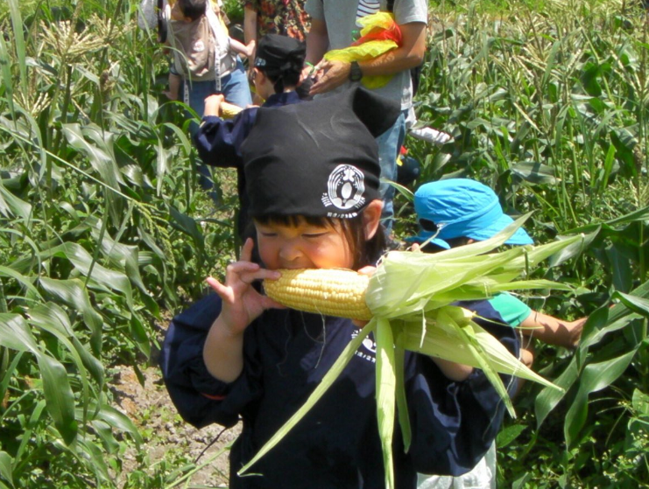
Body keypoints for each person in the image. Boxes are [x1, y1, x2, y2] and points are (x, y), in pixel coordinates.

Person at [160, 88, 519, 488]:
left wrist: (421, 322)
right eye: (270, 231)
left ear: (368, 221)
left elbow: (474, 387)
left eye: (312, 233)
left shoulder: (407, 289)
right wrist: (229, 328)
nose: (289, 254)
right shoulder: (258, 296)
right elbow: (213, 393)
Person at [407, 178, 586, 489]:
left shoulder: (397, 276)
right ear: (475, 244)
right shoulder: (491, 300)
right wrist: (622, 307)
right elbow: (569, 335)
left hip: (405, 446)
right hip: (458, 454)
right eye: (495, 242)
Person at [303, 0, 428, 232]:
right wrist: (309, 65)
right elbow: (319, 32)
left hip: (381, 109)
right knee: (327, 194)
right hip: (330, 101)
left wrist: (353, 69)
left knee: (375, 198)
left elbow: (414, 52)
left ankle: (374, 264)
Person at [194, 33, 307, 241]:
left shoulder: (253, 121)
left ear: (259, 75)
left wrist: (211, 112)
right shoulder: (313, 112)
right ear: (300, 76)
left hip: (264, 234)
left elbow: (211, 146)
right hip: (309, 228)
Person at [165, 0, 255, 102]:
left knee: (174, 72)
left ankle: (173, 94)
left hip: (225, 71)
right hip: (200, 79)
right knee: (228, 41)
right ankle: (246, 50)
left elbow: (168, 40)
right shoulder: (187, 10)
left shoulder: (174, 22)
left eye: (176, 8)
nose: (173, 8)